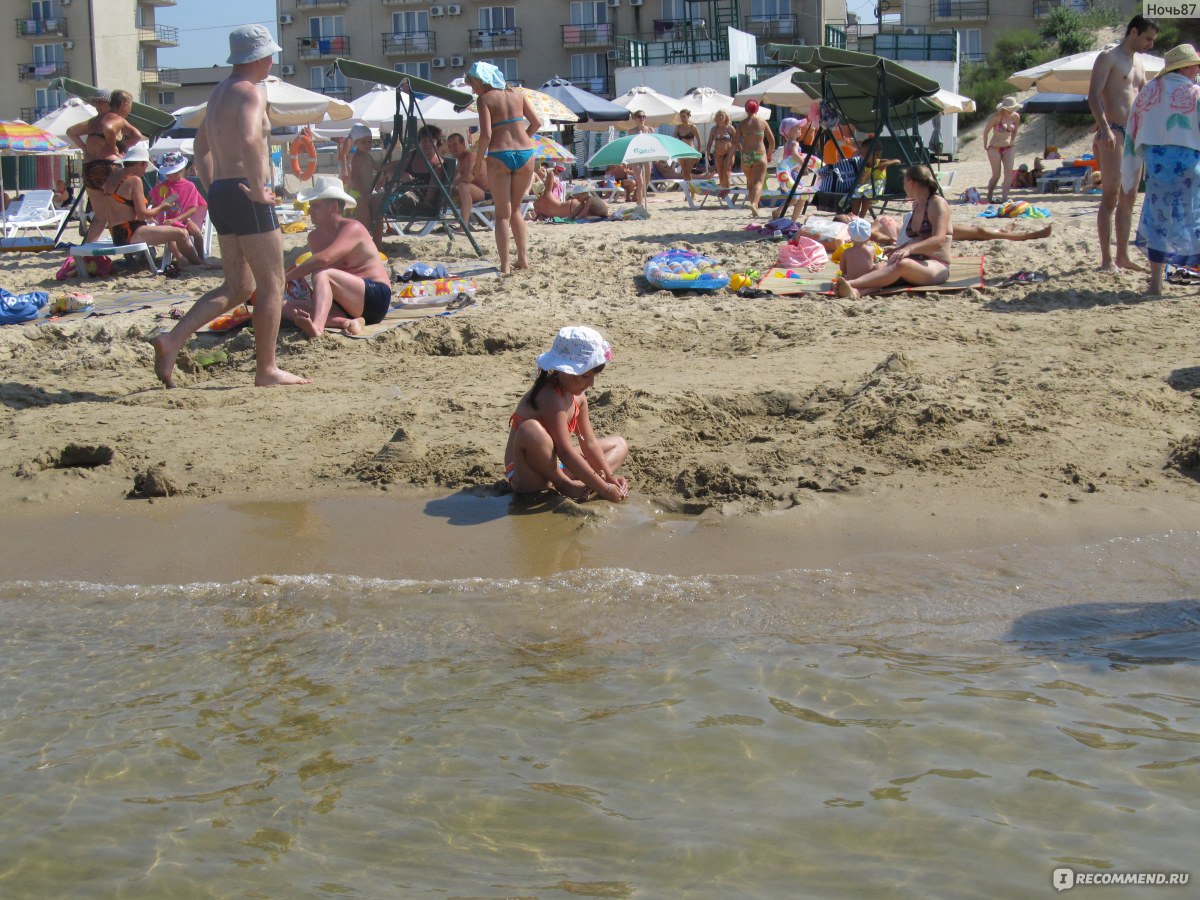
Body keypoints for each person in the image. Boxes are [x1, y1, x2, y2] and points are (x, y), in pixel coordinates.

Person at [153, 24, 310, 388]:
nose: (272, 61)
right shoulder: (251, 93)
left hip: (224, 190)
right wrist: (257, 188)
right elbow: (250, 137)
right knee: (272, 282)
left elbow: (199, 150)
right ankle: (267, 369)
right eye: (270, 55)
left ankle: (172, 339)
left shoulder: (219, 94)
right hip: (245, 193)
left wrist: (214, 188)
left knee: (238, 285)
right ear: (262, 57)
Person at [504, 325, 629, 503]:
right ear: (566, 371)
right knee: (530, 430)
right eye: (586, 376)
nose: (592, 383)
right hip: (527, 474)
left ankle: (583, 480)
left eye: (594, 376)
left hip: (556, 464)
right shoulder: (549, 397)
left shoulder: (578, 397)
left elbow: (589, 442)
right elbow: (565, 451)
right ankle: (565, 484)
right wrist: (605, 490)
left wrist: (608, 478)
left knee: (619, 444)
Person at [1120, 44, 1200, 295]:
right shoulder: (1195, 91)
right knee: (1194, 216)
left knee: (1158, 216)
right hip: (1189, 159)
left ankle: (1155, 284)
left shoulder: (1148, 92)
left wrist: (1131, 170)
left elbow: (1133, 130)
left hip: (1157, 162)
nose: (1198, 68)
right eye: (1196, 64)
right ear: (1185, 66)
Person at [1088, 14, 1158, 272]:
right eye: (1148, 38)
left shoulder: (1139, 63)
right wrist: (1104, 128)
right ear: (1134, 32)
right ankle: (1106, 259)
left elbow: (1146, 97)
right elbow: (1093, 95)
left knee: (1130, 196)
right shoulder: (1109, 57)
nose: (1150, 44)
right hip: (1114, 132)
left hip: (1135, 135)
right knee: (1110, 196)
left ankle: (1123, 256)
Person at [281, 176, 392, 337]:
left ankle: (317, 328)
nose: (310, 211)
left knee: (321, 272)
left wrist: (285, 278)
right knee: (283, 307)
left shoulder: (352, 228)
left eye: (315, 206)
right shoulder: (314, 237)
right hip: (345, 303)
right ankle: (348, 323)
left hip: (375, 297)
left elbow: (324, 259)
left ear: (333, 207)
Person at [467, 60, 541, 275]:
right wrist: (521, 140)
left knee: (502, 214)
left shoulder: (484, 100)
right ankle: (523, 259)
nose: (473, 88)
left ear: (482, 81)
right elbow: (536, 122)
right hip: (526, 154)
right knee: (516, 209)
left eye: (473, 83)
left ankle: (505, 266)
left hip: (499, 154)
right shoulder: (518, 94)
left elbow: (487, 135)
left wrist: (477, 162)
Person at [834, 165, 950, 298]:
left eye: (904, 182)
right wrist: (898, 248)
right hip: (917, 260)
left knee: (902, 264)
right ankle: (856, 292)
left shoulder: (937, 204)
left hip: (937, 264)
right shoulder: (917, 204)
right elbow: (918, 239)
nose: (903, 186)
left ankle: (851, 283)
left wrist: (909, 250)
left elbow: (938, 240)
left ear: (911, 183)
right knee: (879, 268)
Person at [102, 144, 205, 268]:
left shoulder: (111, 178)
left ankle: (188, 261)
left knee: (177, 232)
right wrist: (162, 207)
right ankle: (199, 263)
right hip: (130, 232)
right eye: (145, 167)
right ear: (141, 164)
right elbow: (142, 214)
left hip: (116, 233)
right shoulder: (134, 180)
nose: (145, 171)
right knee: (181, 233)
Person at [66, 88, 145, 244]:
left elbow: (71, 131)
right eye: (97, 103)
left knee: (100, 216)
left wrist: (84, 148)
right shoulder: (115, 118)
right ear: (121, 104)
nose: (97, 106)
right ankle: (131, 247)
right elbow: (135, 134)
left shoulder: (94, 121)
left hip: (88, 168)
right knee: (127, 209)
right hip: (107, 166)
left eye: (99, 102)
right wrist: (115, 148)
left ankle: (86, 253)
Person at [149, 150, 209, 261]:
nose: (170, 175)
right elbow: (153, 203)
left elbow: (193, 209)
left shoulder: (189, 186)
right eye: (168, 173)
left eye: (173, 172)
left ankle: (201, 259)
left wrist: (177, 219)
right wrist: (152, 213)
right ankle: (181, 260)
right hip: (167, 221)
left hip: (183, 218)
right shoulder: (162, 187)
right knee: (172, 240)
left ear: (181, 170)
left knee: (197, 233)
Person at [736, 100, 775, 217]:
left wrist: (742, 150)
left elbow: (736, 142)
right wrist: (769, 154)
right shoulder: (762, 122)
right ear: (757, 109)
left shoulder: (741, 124)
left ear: (746, 109)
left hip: (746, 155)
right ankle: (754, 203)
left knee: (751, 183)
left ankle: (755, 207)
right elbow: (772, 141)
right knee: (758, 183)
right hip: (759, 154)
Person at [532, 164, 610, 220]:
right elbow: (551, 175)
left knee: (589, 210)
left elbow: (539, 217)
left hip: (569, 211)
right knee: (590, 210)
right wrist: (547, 170)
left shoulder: (536, 205)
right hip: (570, 207)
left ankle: (602, 212)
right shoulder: (547, 194)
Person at [444, 131, 489, 228]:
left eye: (455, 145)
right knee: (449, 189)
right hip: (476, 191)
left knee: (463, 186)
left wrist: (450, 186)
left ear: (463, 144)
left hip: (487, 194)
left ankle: (463, 225)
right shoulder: (459, 160)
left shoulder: (470, 156)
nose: (452, 148)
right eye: (450, 146)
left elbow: (469, 177)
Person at [983, 96, 1021, 204]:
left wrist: (1012, 141)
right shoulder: (996, 117)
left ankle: (1004, 198)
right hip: (995, 147)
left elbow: (1015, 130)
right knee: (996, 175)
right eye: (1009, 109)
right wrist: (985, 145)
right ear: (1004, 108)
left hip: (1008, 147)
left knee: (1008, 173)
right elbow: (986, 131)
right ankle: (990, 194)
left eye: (1013, 109)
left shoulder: (1016, 117)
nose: (1011, 111)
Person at [345, 124, 379, 230]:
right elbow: (354, 178)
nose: (368, 145)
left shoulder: (367, 156)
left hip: (363, 193)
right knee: (364, 224)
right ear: (356, 143)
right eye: (364, 142)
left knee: (369, 220)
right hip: (358, 194)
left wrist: (394, 164)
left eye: (370, 142)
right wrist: (363, 194)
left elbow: (379, 167)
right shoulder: (358, 157)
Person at [626, 110, 656, 207]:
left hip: (647, 157)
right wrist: (628, 161)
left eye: (643, 116)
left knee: (646, 183)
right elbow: (630, 147)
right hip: (636, 158)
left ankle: (640, 200)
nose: (642, 118)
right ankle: (639, 204)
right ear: (635, 118)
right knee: (640, 182)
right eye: (639, 116)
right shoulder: (631, 132)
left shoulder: (650, 130)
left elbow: (654, 144)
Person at [706, 108, 737, 190]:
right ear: (716, 118)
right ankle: (724, 193)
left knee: (726, 174)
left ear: (726, 117)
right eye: (719, 116)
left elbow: (736, 142)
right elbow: (709, 142)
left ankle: (727, 192)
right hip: (717, 154)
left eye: (722, 116)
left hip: (728, 154)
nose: (720, 117)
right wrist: (708, 153)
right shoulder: (714, 129)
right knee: (720, 175)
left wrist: (741, 152)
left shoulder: (730, 128)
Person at [672, 108, 701, 181]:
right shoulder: (678, 127)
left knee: (687, 172)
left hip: (690, 151)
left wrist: (699, 153)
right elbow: (673, 139)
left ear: (688, 116)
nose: (682, 118)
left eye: (684, 116)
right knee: (684, 173)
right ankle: (689, 190)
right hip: (681, 152)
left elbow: (699, 140)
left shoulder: (692, 127)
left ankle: (691, 190)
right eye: (681, 117)